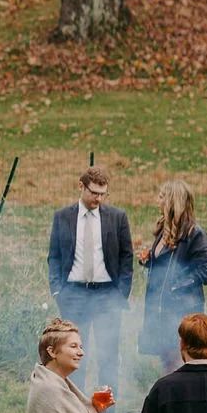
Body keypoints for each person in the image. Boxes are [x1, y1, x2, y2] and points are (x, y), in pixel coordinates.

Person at [47, 165, 134, 395]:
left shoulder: (117, 217)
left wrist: (120, 293)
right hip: (73, 295)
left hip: (107, 295)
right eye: (94, 193)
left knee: (108, 356)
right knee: (73, 357)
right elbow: (54, 256)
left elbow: (127, 256)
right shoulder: (62, 217)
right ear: (81, 186)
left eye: (103, 193)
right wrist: (58, 290)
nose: (98, 198)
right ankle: (75, 406)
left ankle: (105, 412)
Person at [136, 180, 207, 375]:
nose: (157, 201)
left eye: (161, 197)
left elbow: (205, 272)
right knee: (167, 362)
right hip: (160, 310)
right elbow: (167, 264)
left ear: (173, 201)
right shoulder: (164, 229)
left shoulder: (195, 234)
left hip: (181, 311)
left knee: (178, 362)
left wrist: (175, 285)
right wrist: (149, 260)